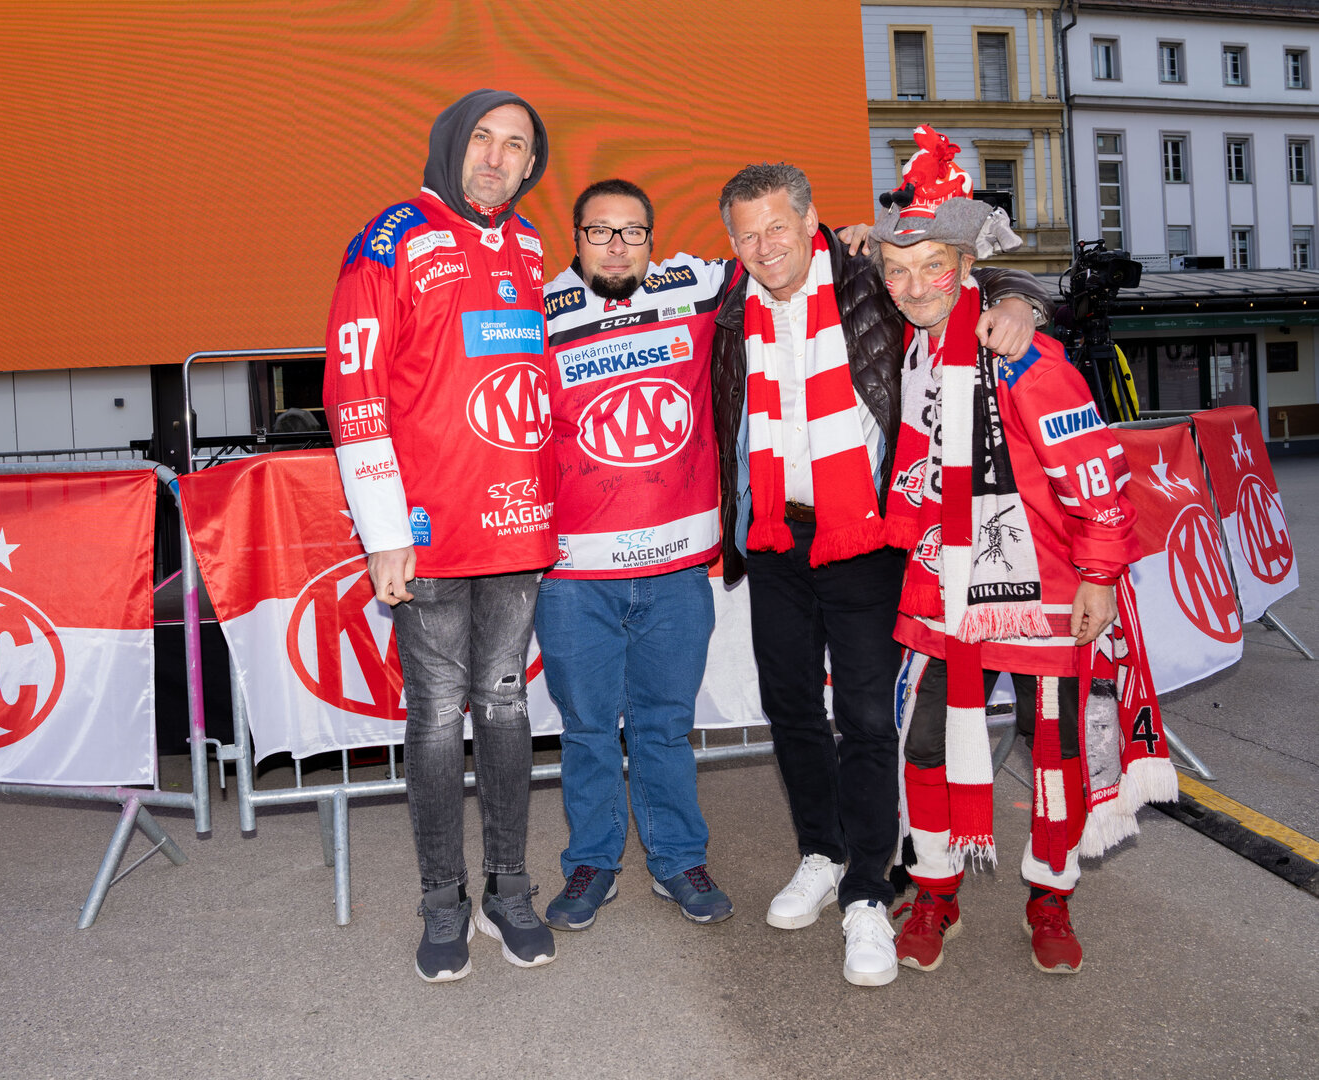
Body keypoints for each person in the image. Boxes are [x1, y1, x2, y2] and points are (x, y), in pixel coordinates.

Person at [708, 161, 1050, 987]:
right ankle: (821, 855)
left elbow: (963, 268)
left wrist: (1020, 303)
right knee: (792, 708)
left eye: (778, 227)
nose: (765, 247)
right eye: (747, 235)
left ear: (811, 221)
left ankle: (867, 889)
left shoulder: (869, 276)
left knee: (864, 718)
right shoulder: (728, 300)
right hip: (775, 536)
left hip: (865, 536)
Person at [868, 126, 1172, 975]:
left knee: (1055, 753)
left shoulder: (1022, 352)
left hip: (1044, 586)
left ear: (967, 267)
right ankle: (935, 892)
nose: (912, 286)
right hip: (943, 587)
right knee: (924, 746)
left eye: (932, 266)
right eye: (897, 270)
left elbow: (1095, 470)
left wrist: (1101, 574)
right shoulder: (916, 346)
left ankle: (1051, 894)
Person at [323, 89, 558, 983]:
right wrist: (384, 533)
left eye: (516, 145)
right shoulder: (390, 239)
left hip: (517, 529)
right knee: (433, 716)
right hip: (425, 535)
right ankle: (442, 900)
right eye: (483, 139)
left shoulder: (531, 245)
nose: (496, 158)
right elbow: (353, 391)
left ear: (531, 164)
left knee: (505, 707)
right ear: (453, 144)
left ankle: (508, 891)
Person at [537, 179, 734, 930]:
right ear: (576, 238)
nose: (617, 247)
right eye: (600, 231)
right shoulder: (535, 313)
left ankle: (678, 858)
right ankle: (591, 861)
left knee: (664, 726)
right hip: (573, 576)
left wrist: (1016, 298)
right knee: (587, 731)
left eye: (632, 232)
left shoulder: (695, 285)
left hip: (675, 567)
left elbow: (789, 261)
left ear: (653, 237)